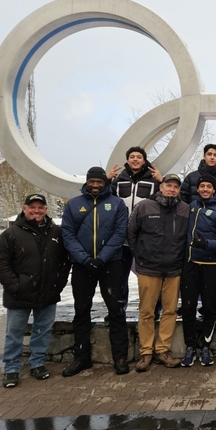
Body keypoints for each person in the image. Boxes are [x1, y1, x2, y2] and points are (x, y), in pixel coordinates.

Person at [0, 194, 70, 388]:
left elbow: (64, 262)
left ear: (45, 209)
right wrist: (15, 286)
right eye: (32, 207)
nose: (37, 210)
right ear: (24, 208)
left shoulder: (56, 232)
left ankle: (37, 364)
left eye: (40, 207)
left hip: (47, 293)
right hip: (19, 294)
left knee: (42, 331)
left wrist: (58, 284)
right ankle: (11, 369)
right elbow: (0, 262)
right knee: (14, 332)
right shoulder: (12, 234)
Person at [61, 167, 130, 376]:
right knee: (81, 311)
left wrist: (101, 258)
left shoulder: (117, 204)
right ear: (87, 181)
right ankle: (81, 357)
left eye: (99, 182)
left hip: (111, 264)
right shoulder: (73, 204)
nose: (96, 185)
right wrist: (84, 259)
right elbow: (67, 234)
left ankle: (120, 357)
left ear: (105, 183)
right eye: (92, 181)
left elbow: (120, 234)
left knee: (116, 311)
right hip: (82, 266)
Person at [126, 173, 189, 372]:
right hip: (148, 268)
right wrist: (141, 256)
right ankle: (146, 352)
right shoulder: (144, 206)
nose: (172, 189)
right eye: (168, 185)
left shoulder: (185, 209)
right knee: (147, 311)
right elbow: (131, 233)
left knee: (170, 311)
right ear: (160, 187)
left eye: (175, 187)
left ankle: (163, 350)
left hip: (174, 269)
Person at [181, 174, 216, 367]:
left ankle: (205, 346)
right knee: (188, 307)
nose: (204, 189)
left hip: (211, 267)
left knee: (210, 308)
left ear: (214, 189)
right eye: (202, 186)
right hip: (190, 264)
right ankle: (189, 346)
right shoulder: (192, 207)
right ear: (198, 188)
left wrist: (207, 244)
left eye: (208, 187)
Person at [108, 146, 163, 313]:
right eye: (132, 156)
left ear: (144, 160)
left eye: (139, 157)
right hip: (123, 237)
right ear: (127, 160)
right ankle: (118, 309)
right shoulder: (118, 181)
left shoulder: (153, 181)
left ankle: (153, 309)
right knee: (120, 277)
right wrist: (106, 179)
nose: (135, 159)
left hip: (145, 237)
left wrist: (162, 181)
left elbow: (168, 198)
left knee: (150, 276)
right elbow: (100, 196)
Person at [180, 144, 216, 211]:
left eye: (215, 155)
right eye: (209, 154)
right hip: (194, 218)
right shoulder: (191, 177)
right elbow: (183, 201)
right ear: (204, 156)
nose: (212, 157)